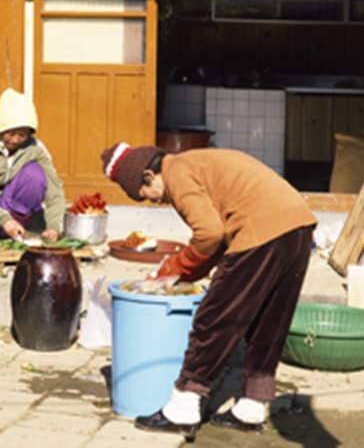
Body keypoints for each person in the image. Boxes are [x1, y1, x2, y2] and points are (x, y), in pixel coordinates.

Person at [101, 143, 317, 439]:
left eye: (145, 196)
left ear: (149, 175)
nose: (152, 202)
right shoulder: (195, 162)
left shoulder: (177, 173)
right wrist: (181, 272)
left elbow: (209, 233)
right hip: (298, 224)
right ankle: (251, 405)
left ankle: (184, 405)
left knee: (215, 318)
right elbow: (215, 238)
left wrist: (174, 268)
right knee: (269, 321)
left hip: (260, 229)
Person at [0, 88, 65, 242]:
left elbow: (55, 190)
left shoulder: (35, 148)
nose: (15, 140)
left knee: (34, 175)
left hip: (14, 211)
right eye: (10, 133)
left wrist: (53, 226)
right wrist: (3, 219)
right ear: (0, 129)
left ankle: (14, 231)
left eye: (22, 135)